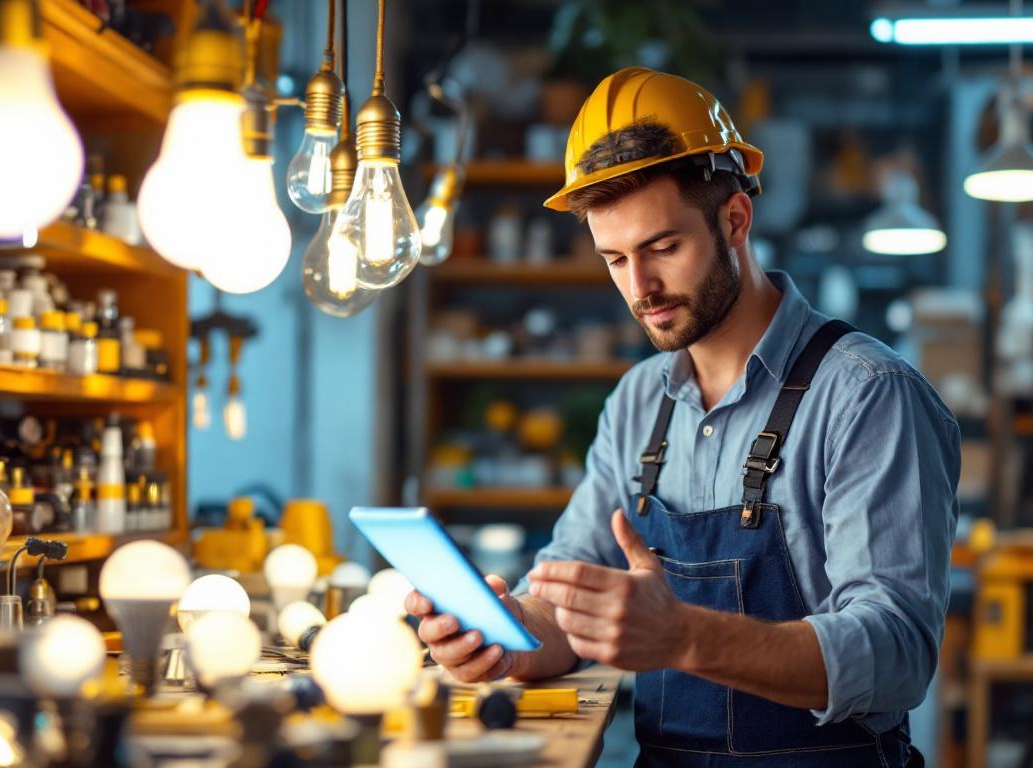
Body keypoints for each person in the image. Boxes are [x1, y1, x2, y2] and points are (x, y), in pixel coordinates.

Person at [405, 67, 959, 767]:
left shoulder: (867, 395)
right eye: (615, 259)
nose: (641, 288)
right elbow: (566, 598)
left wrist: (684, 636)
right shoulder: (639, 402)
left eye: (663, 248)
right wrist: (505, 636)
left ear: (735, 220)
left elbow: (898, 654)